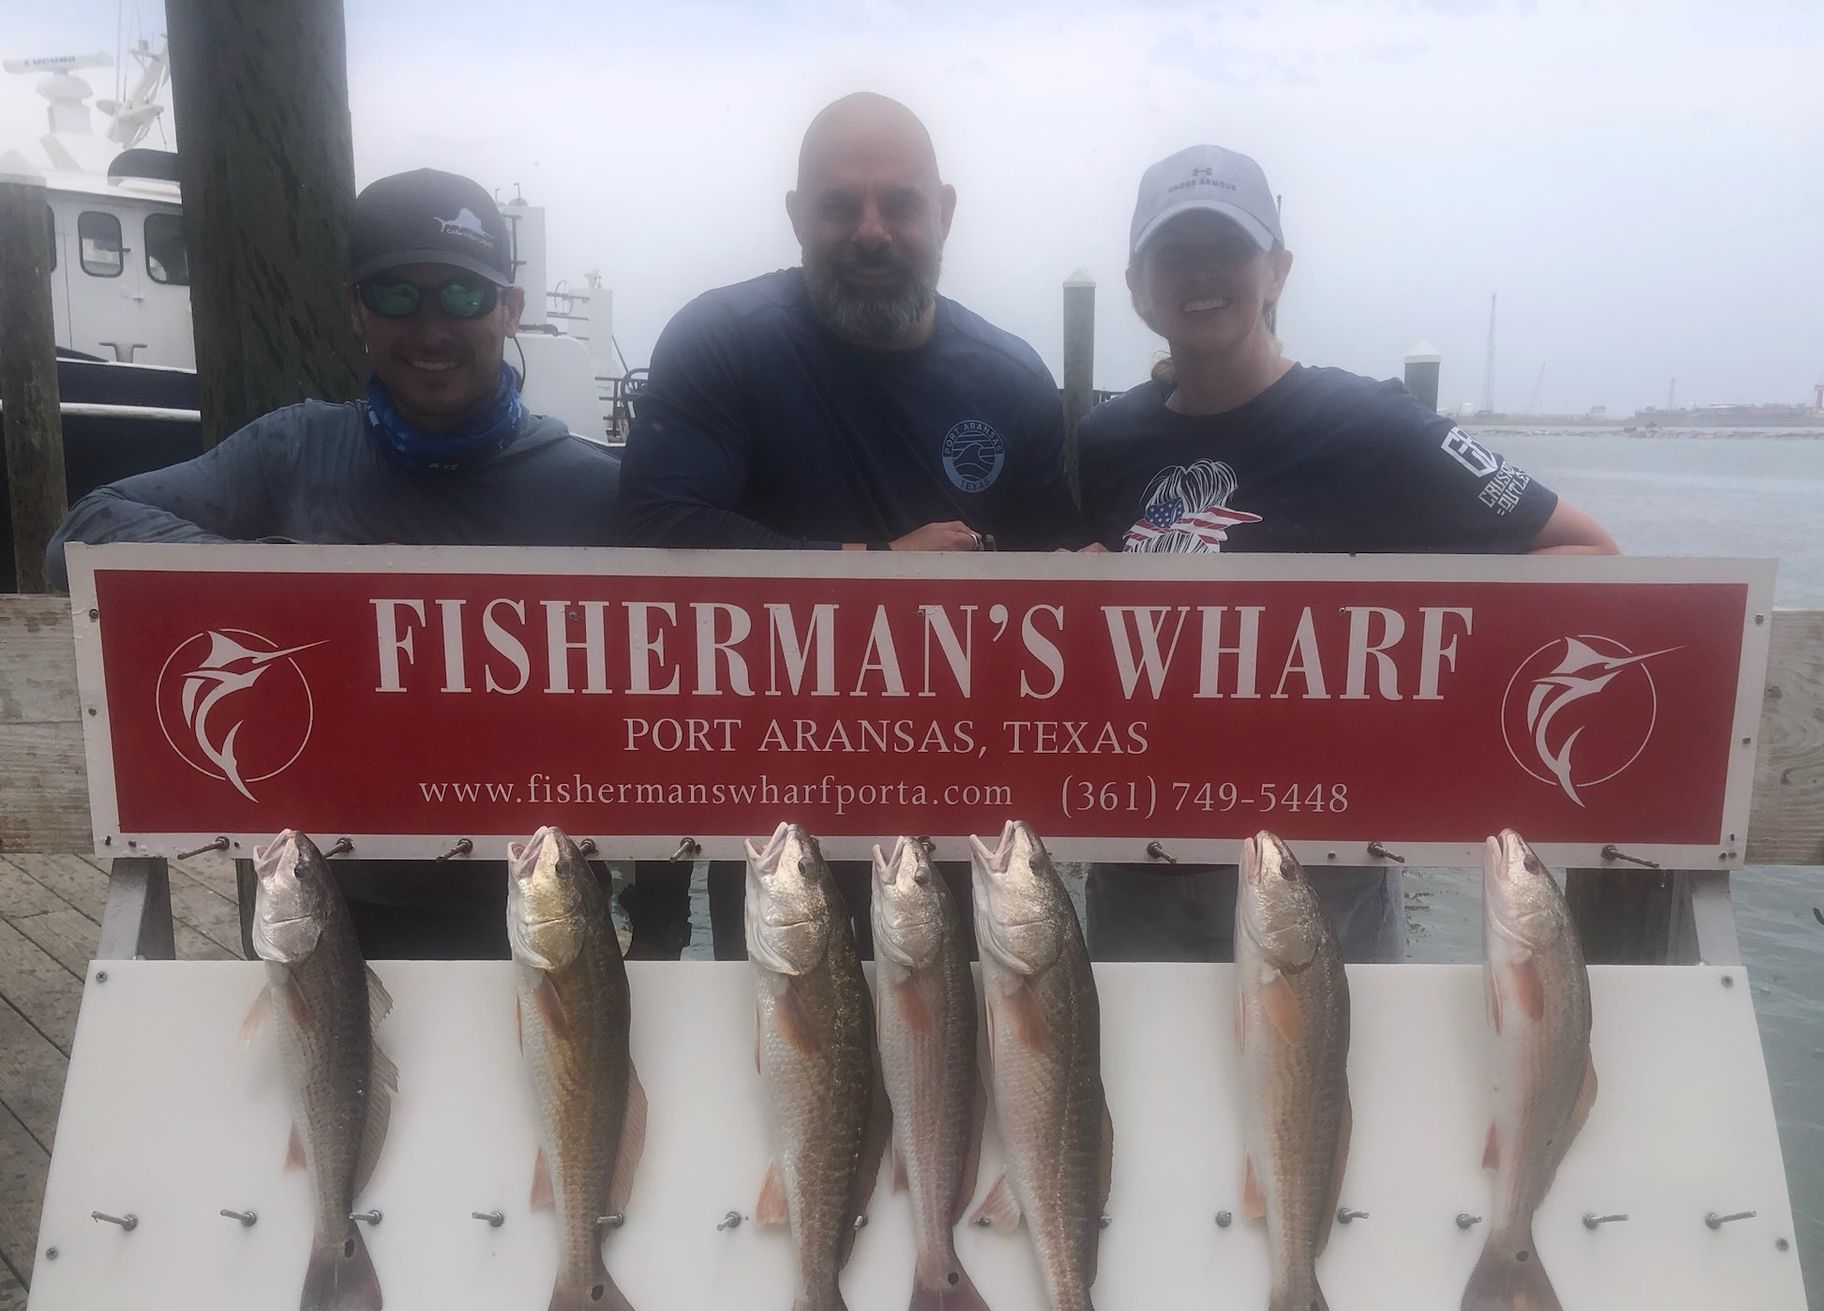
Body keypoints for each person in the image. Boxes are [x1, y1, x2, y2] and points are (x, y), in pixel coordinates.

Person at [44, 169, 623, 960]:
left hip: (540, 916)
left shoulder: (596, 487)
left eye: (462, 294)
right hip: (318, 906)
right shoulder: (295, 448)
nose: (430, 327)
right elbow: (81, 531)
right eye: (395, 296)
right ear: (355, 307)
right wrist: (288, 594)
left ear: (510, 308)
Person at [1078, 144, 1618, 964]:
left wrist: (1428, 644)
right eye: (1174, 253)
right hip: (1140, 864)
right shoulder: (1102, 440)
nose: (1200, 273)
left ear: (1278, 270)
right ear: (1136, 284)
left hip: (1324, 874)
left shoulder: (1375, 425)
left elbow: (1590, 557)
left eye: (1227, 247)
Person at [622, 90, 1085, 958]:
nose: (870, 230)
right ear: (798, 217)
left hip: (960, 823)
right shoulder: (723, 339)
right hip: (776, 820)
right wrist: (876, 569)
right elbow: (655, 526)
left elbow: (1049, 579)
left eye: (900, 202)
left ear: (943, 213)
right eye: (839, 204)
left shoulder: (1013, 379)